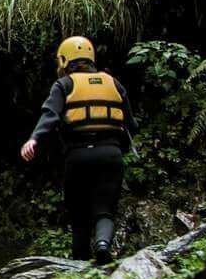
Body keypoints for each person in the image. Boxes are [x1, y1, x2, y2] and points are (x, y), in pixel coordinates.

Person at [20, 37, 135, 263]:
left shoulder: (64, 84)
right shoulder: (113, 83)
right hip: (111, 154)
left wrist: (34, 139)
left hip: (79, 156)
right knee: (105, 209)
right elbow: (132, 125)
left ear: (64, 59)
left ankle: (79, 265)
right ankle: (102, 244)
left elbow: (50, 116)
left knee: (79, 215)